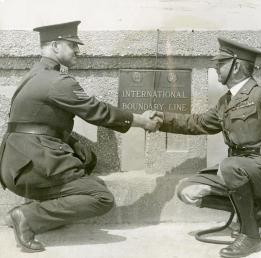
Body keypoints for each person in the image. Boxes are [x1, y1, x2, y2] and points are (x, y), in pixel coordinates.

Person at [0, 21, 162, 252]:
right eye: (72, 45)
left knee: (86, 165)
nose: (78, 51)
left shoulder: (34, 75)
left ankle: (34, 214)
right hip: (31, 167)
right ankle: (27, 217)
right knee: (100, 197)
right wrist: (143, 121)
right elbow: (99, 112)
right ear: (55, 46)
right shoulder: (58, 82)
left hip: (16, 167)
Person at [151, 37, 261, 257]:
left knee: (230, 167)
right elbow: (199, 122)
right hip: (239, 171)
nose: (215, 66)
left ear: (236, 66)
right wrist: (162, 120)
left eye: (220, 62)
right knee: (187, 191)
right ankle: (259, 212)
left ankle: (250, 236)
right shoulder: (226, 101)